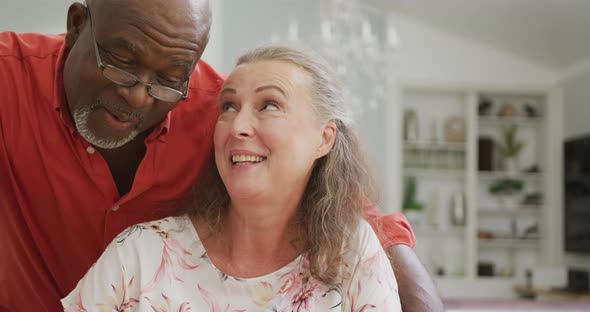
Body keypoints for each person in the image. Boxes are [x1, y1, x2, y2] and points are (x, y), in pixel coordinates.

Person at [0, 0, 443, 311]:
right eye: (120, 62)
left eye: (169, 79)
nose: (137, 97)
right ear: (77, 24)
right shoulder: (9, 78)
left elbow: (353, 212)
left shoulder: (216, 112)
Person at [62, 44, 402, 311]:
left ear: (324, 139)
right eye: (228, 106)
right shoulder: (139, 255)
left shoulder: (353, 254)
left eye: (269, 105)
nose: (237, 126)